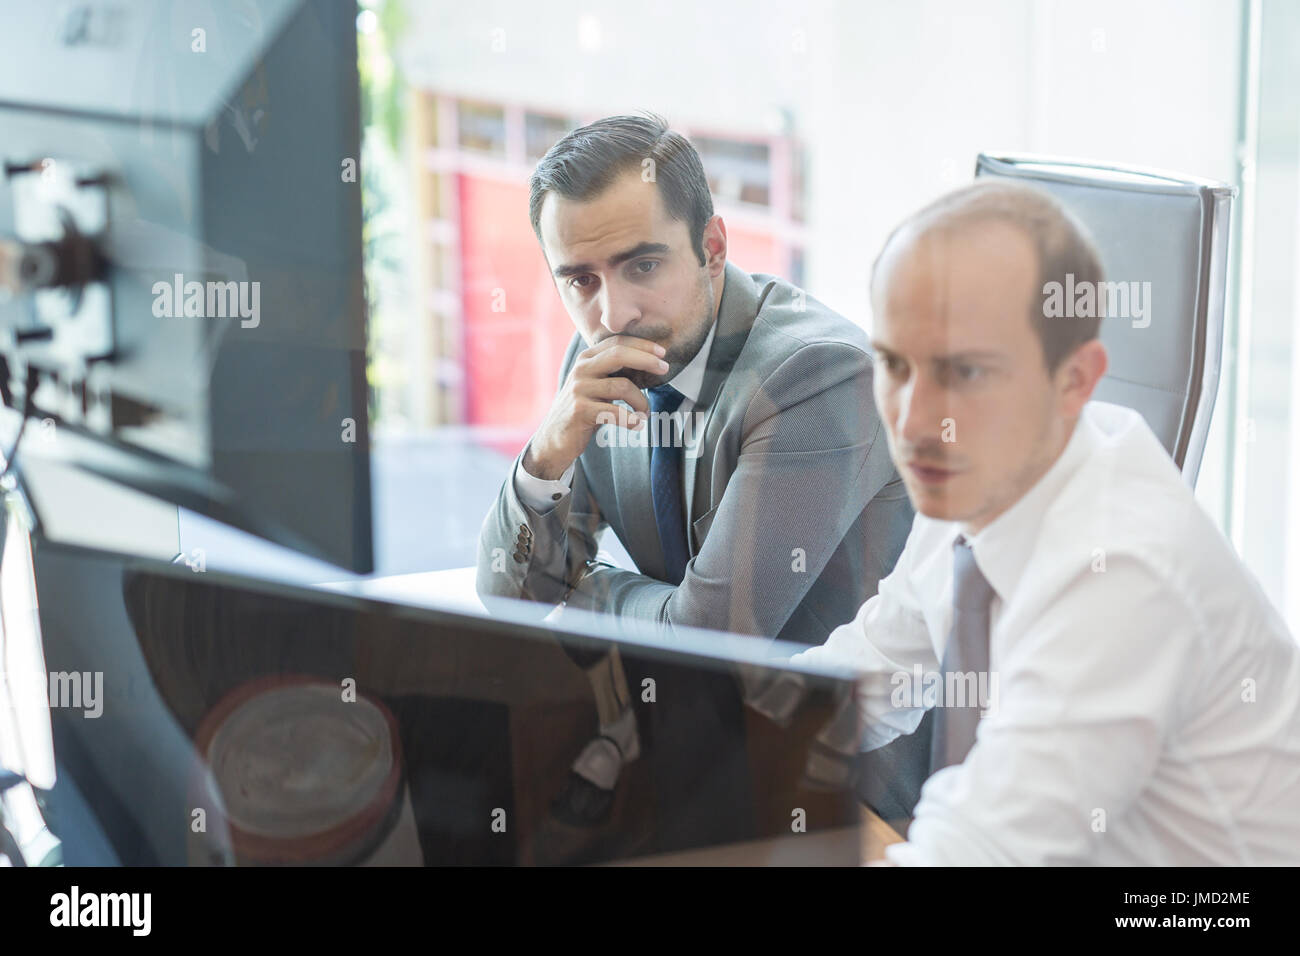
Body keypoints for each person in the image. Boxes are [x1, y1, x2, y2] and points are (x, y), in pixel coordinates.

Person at [797, 179, 1300, 865]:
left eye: (964, 372)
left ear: (1075, 380)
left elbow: (977, 854)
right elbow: (868, 674)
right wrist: (695, 736)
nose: (913, 423)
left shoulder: (1122, 569)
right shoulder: (982, 477)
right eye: (894, 365)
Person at [476, 114, 911, 830]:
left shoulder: (818, 376)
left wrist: (583, 591)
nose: (614, 311)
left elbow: (709, 647)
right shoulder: (597, 368)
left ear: (712, 248)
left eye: (643, 265)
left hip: (848, 789)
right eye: (580, 280)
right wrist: (545, 454)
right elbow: (504, 589)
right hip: (699, 744)